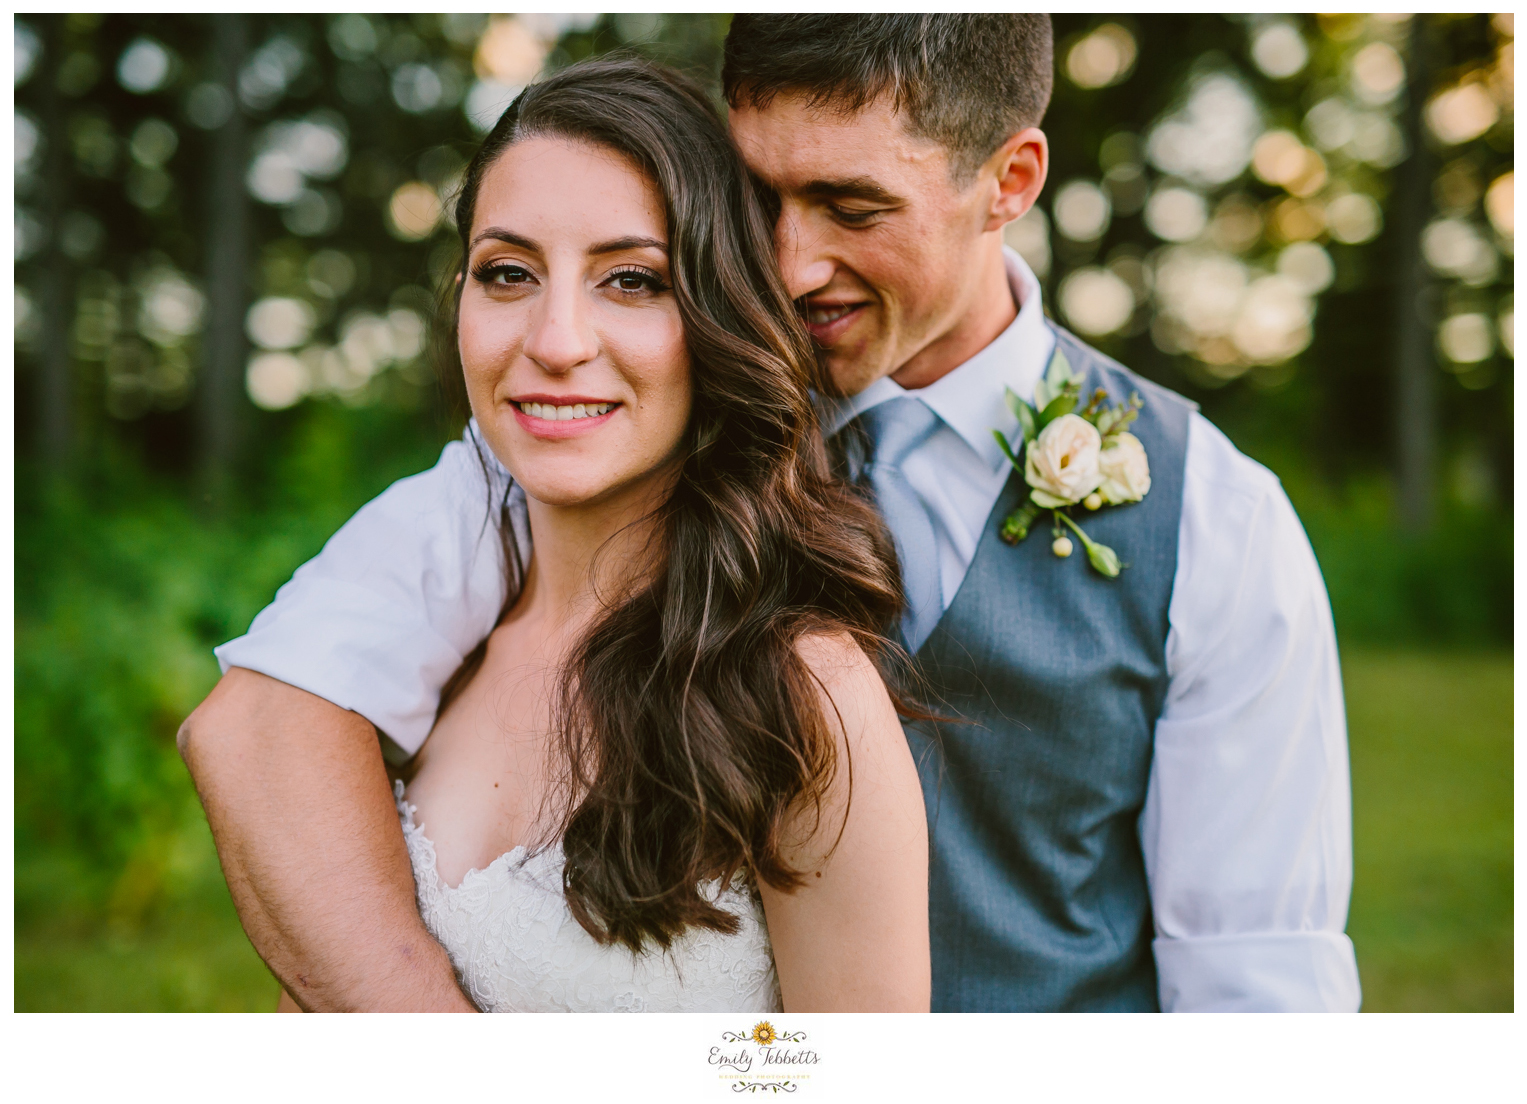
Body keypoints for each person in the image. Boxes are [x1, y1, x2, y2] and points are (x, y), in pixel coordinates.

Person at [183, 14, 1361, 1012]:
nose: (790, 268)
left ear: (1009, 181)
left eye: (852, 206)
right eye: (757, 199)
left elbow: (1258, 987)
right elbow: (269, 724)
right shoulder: (593, 422)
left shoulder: (1212, 519)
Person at [184, 56, 931, 1013]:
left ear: (720, 317)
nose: (557, 339)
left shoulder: (799, 693)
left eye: (630, 279)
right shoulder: (432, 654)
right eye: (507, 273)